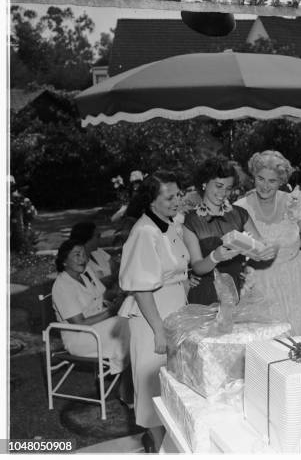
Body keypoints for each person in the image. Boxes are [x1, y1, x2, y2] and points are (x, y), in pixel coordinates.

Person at [118, 170, 189, 452]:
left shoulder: (167, 224)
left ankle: (172, 443)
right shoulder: (145, 231)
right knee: (153, 385)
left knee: (173, 382)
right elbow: (141, 288)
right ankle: (160, 447)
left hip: (173, 307)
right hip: (152, 315)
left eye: (178, 195)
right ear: (151, 201)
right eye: (169, 197)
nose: (176, 201)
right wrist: (158, 329)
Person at [234, 151, 301, 335]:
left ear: (281, 181)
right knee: (266, 343)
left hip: (297, 279)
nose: (265, 186)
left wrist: (296, 250)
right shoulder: (240, 207)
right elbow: (234, 248)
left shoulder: (293, 202)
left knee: (300, 338)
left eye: (272, 181)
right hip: (260, 283)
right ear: (253, 176)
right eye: (260, 179)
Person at [183, 156, 277, 305]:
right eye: (218, 186)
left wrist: (270, 250)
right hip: (206, 295)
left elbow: (262, 247)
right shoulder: (191, 221)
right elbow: (197, 267)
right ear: (204, 183)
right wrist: (215, 256)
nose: (223, 193)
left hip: (237, 292)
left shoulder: (240, 214)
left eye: (228, 188)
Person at [51, 239, 130, 383]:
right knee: (126, 323)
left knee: (132, 319)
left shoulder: (83, 275)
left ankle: (129, 377)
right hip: (81, 338)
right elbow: (79, 323)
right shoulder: (62, 285)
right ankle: (127, 380)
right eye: (77, 255)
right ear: (64, 261)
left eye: (84, 255)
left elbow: (100, 296)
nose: (83, 259)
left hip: (96, 329)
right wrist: (112, 311)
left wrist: (122, 295)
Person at [70, 222, 119, 288]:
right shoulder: (75, 264)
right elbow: (94, 286)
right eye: (98, 236)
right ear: (87, 239)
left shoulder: (98, 251)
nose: (100, 238)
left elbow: (116, 267)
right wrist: (113, 277)